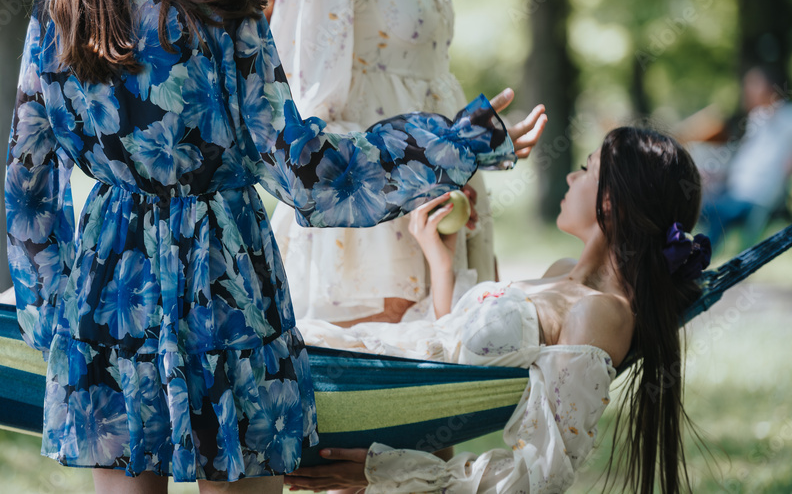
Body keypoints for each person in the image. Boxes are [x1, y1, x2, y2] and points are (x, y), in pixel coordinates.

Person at [3, 0, 540, 492]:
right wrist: (456, 144)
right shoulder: (221, 3)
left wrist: (49, 313)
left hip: (111, 288)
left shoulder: (62, 8)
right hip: (226, 279)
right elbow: (308, 176)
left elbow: (30, 182)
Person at [284, 128, 710, 494]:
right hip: (351, 361)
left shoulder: (600, 315)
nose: (571, 175)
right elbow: (455, 367)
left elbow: (541, 476)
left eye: (587, 168)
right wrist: (442, 266)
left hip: (353, 385)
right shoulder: (561, 275)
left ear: (611, 202)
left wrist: (395, 474)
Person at [258, 0, 547, 326]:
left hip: (445, 179)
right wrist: (426, 165)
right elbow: (307, 115)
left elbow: (422, 75)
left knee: (461, 364)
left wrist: (465, 146)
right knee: (401, 378)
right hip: (378, 212)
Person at [697, 65, 792, 248]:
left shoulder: (788, 118)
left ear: (769, 87)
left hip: (756, 197)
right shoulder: (757, 117)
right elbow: (745, 161)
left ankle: (697, 262)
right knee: (686, 201)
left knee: (717, 212)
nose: (747, 91)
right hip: (733, 191)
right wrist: (717, 174)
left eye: (752, 85)